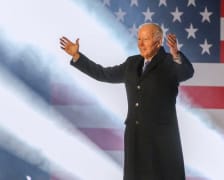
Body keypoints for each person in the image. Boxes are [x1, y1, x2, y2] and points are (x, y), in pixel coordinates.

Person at [60, 23, 194, 180]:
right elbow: (103, 74)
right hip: (135, 135)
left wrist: (175, 54)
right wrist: (77, 56)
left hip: (161, 138)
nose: (141, 44)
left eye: (145, 39)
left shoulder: (169, 63)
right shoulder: (132, 63)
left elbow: (186, 73)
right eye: (139, 39)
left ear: (158, 42)